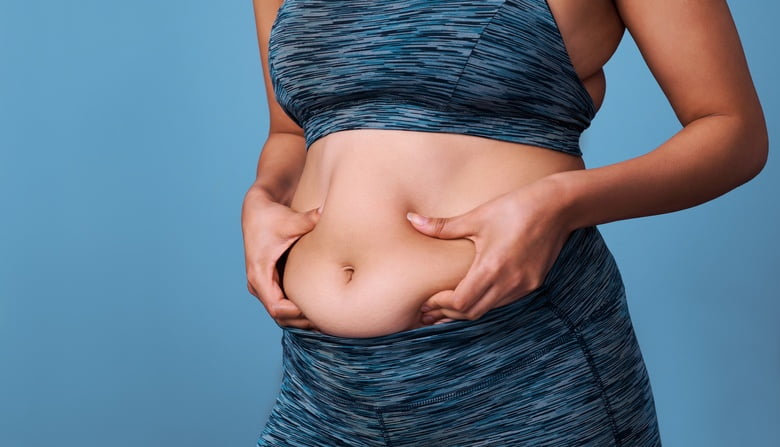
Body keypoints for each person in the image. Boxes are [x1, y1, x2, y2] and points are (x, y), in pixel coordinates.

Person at [242, 0, 767, 445]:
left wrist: (560, 203)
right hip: (324, 382)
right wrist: (262, 198)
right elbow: (290, 134)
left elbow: (733, 131)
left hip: (524, 366)